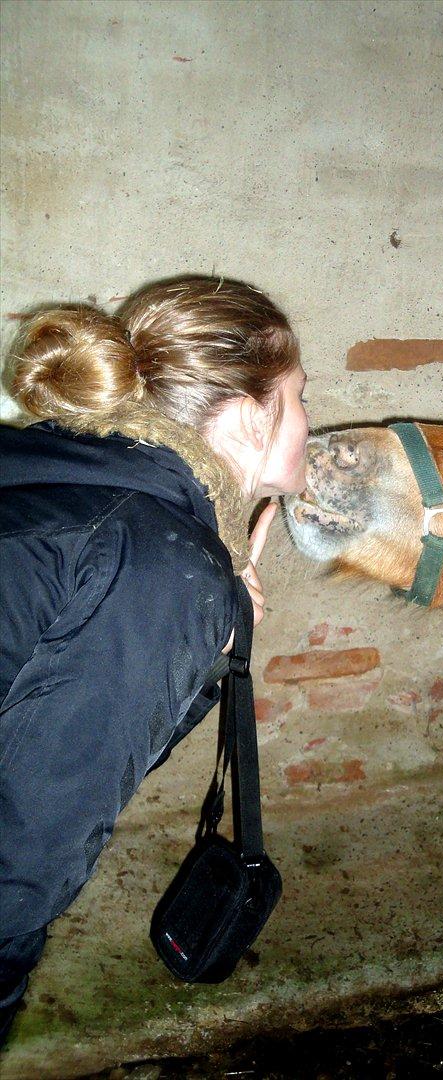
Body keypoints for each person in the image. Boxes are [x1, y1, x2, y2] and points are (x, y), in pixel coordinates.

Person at [0, 275, 310, 1044]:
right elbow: (23, 856)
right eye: (301, 397)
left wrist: (215, 620)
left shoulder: (63, 482)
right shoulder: (153, 560)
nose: (310, 421)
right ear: (246, 419)